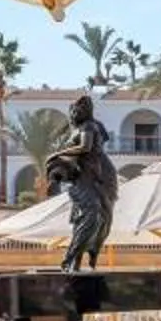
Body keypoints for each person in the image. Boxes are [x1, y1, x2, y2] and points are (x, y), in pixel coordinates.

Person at [44, 95, 117, 272]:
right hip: (83, 176)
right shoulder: (80, 129)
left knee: (100, 218)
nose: (74, 114)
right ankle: (73, 259)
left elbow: (85, 147)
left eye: (78, 111)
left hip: (99, 175)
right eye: (73, 111)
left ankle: (83, 255)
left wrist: (56, 154)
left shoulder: (89, 126)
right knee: (87, 216)